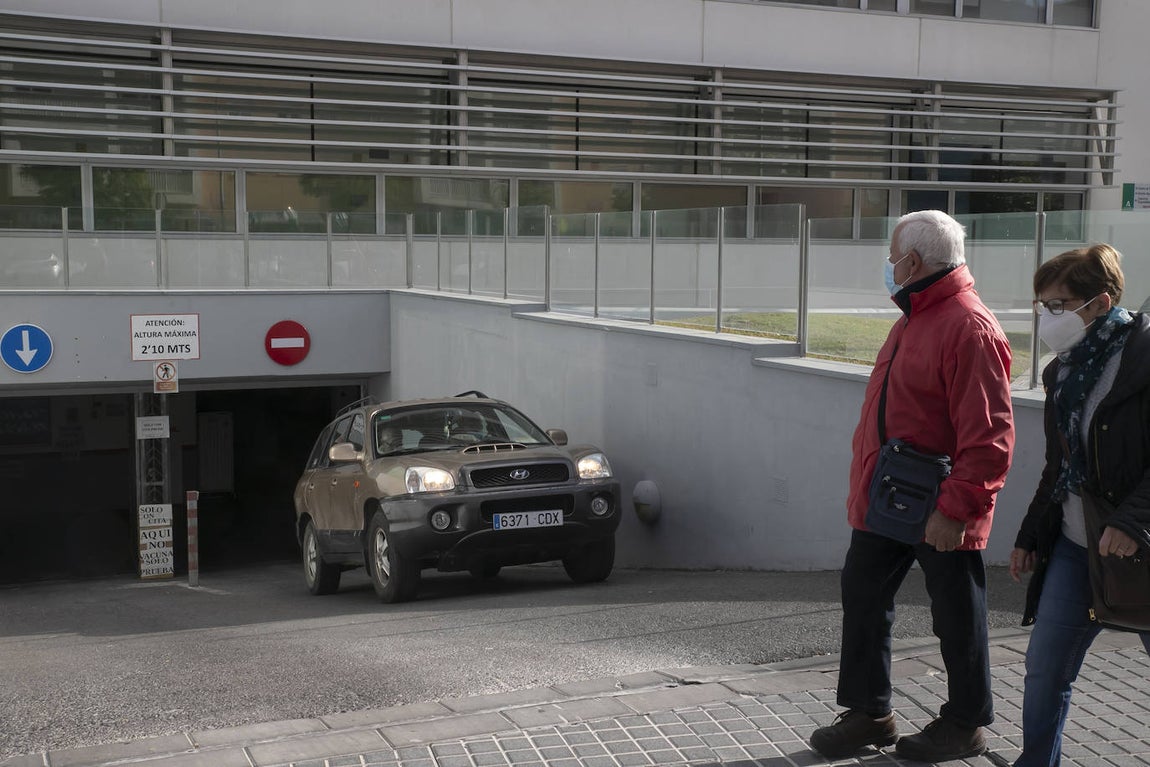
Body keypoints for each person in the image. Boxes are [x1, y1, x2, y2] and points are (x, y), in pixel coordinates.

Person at [809, 210, 1015, 762]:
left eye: (893, 254)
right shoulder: (916, 315)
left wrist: (957, 510)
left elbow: (990, 435)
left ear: (914, 262)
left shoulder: (968, 325)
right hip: (889, 498)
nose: (889, 265)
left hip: (939, 503)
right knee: (864, 596)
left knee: (956, 615)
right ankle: (869, 713)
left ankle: (966, 723)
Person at [1009, 243, 1150, 767]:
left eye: (1059, 305)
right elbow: (1058, 464)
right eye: (1043, 304)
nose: (1049, 317)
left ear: (1101, 301)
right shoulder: (1062, 371)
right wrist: (1029, 535)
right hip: (1074, 544)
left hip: (1141, 546)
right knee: (1045, 667)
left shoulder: (1143, 355)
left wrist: (1134, 520)